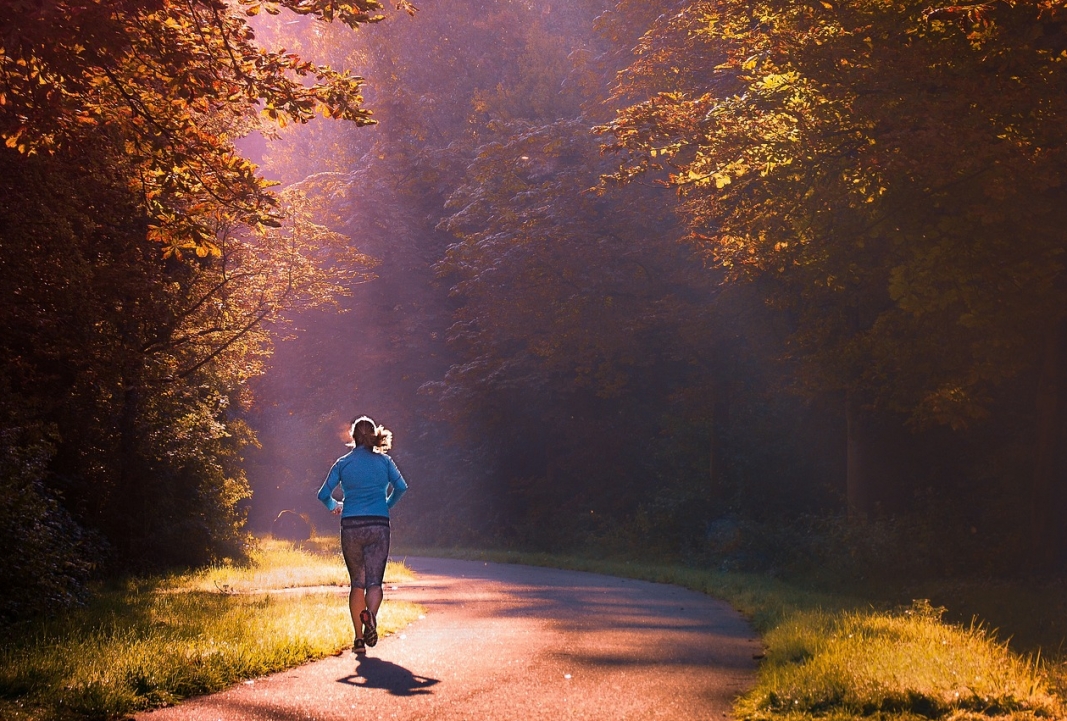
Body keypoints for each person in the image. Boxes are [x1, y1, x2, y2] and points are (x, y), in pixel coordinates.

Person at [317, 415, 408, 655]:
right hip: (379, 524)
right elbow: (402, 487)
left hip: (351, 525)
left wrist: (335, 505)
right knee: (374, 582)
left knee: (357, 583)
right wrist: (387, 503)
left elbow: (322, 494)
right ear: (373, 436)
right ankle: (371, 617)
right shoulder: (385, 462)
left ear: (353, 437)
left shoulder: (342, 463)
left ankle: (358, 640)